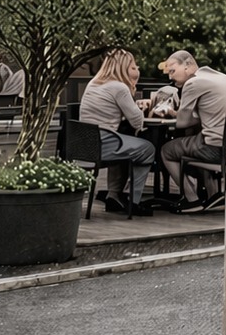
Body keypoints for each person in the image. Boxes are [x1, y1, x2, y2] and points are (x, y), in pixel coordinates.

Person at [78, 50, 156, 216]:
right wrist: (140, 102)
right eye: (133, 67)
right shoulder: (119, 87)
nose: (137, 70)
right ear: (123, 67)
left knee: (126, 143)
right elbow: (137, 122)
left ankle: (114, 197)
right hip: (104, 143)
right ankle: (133, 201)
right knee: (147, 148)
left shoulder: (94, 83)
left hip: (86, 143)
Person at [160, 51, 226, 213]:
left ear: (188, 64)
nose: (170, 77)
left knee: (167, 150)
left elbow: (182, 123)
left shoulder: (193, 83)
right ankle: (214, 196)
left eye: (172, 71)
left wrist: (169, 112)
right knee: (197, 138)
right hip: (222, 144)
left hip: (215, 149)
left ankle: (191, 200)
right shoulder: (220, 77)